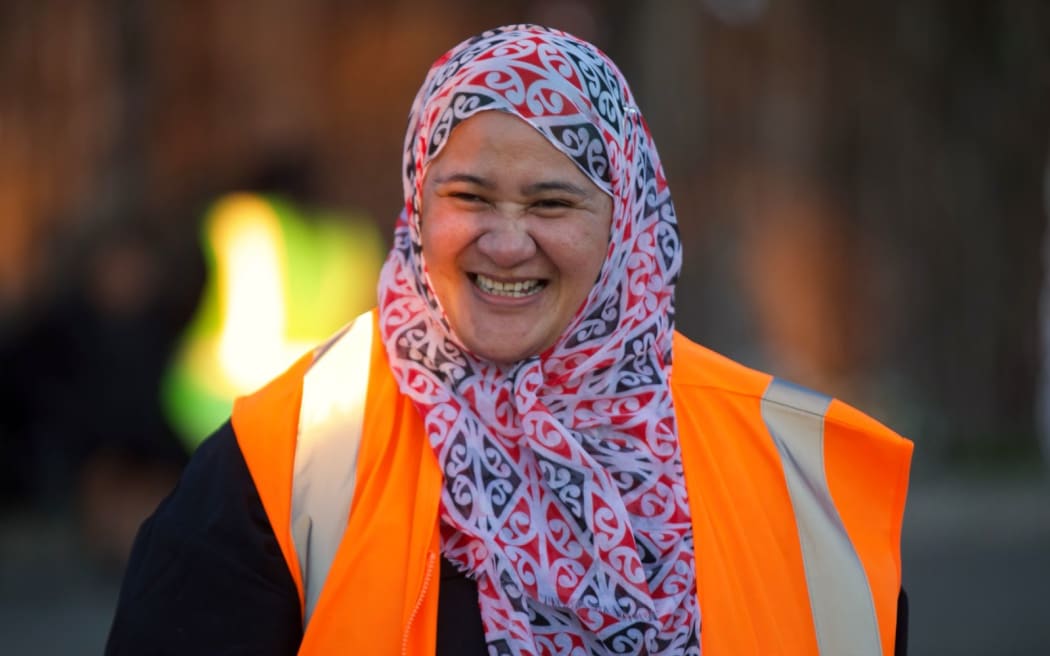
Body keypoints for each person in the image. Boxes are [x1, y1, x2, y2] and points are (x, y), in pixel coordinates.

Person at [106, 24, 912, 656]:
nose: (505, 241)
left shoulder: (793, 473)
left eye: (553, 205)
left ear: (624, 226)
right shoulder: (286, 462)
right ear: (419, 202)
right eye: (470, 195)